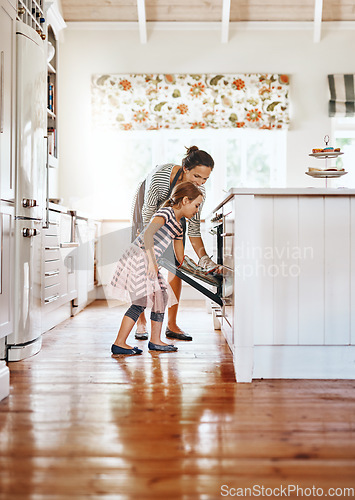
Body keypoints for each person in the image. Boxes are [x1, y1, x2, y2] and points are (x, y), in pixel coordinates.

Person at [134, 145, 220, 342]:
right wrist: (150, 255)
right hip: (146, 209)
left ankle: (171, 324)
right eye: (197, 176)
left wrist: (204, 260)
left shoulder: (198, 193)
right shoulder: (160, 177)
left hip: (175, 210)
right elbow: (148, 214)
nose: (200, 182)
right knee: (143, 263)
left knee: (175, 264)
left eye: (205, 179)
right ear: (185, 168)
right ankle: (140, 321)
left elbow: (194, 228)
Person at [110, 182, 204, 355]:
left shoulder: (179, 225)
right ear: (184, 200)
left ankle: (155, 340)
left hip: (149, 261)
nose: (197, 210)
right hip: (140, 257)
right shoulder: (165, 213)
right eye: (196, 205)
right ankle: (119, 343)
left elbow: (180, 257)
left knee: (161, 296)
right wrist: (153, 262)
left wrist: (197, 269)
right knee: (140, 302)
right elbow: (147, 234)